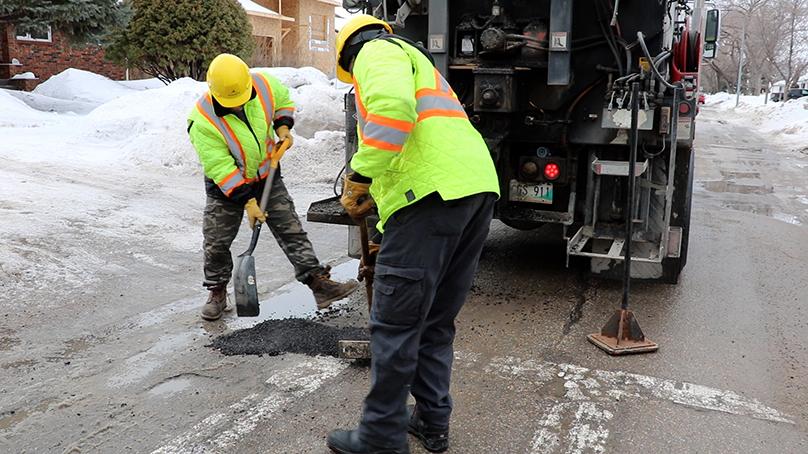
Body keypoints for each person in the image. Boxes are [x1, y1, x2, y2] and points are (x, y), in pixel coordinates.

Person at [328, 16, 500, 454]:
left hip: (430, 196)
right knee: (435, 322)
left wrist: (361, 176)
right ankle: (432, 421)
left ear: (349, 53)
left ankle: (381, 437)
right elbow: (422, 141)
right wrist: (385, 227)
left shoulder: (377, 52)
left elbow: (391, 114)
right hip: (474, 190)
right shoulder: (420, 64)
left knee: (396, 325)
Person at [187, 53, 358, 321]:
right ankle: (217, 291)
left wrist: (283, 128)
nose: (237, 105)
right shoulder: (203, 121)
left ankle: (319, 285)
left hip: (267, 173)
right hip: (227, 189)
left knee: (291, 230)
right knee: (216, 243)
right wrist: (249, 202)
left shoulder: (263, 86)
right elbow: (221, 168)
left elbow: (283, 103)